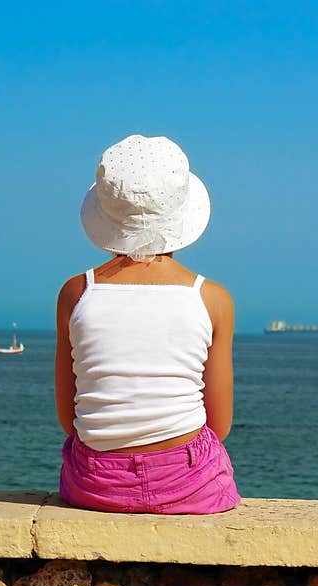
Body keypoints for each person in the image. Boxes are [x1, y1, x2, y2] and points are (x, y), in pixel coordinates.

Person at [54, 134, 241, 514]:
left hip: (95, 484)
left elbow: (68, 419)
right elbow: (219, 426)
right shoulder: (212, 300)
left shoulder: (76, 294)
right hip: (189, 484)